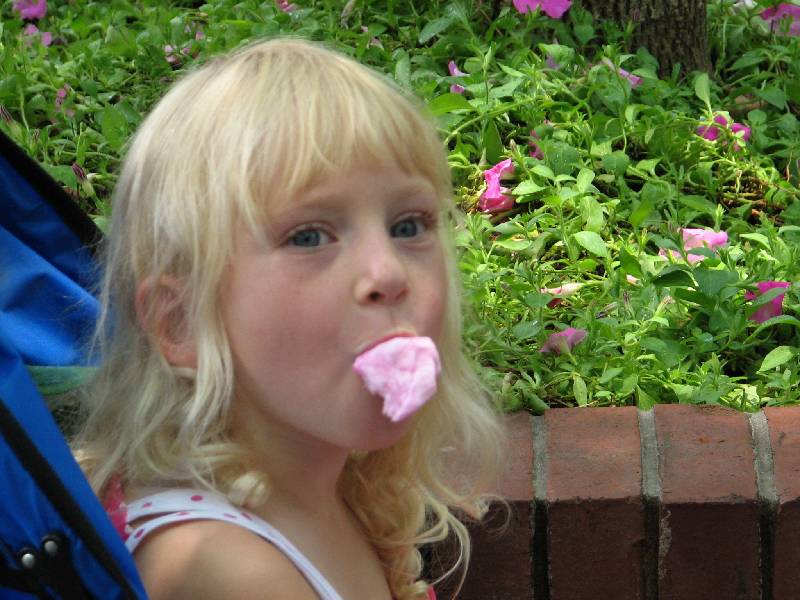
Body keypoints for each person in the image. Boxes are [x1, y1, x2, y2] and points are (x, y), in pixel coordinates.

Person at [73, 37, 504, 600]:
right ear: (182, 322)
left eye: (408, 226)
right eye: (309, 237)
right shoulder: (223, 569)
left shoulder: (337, 488)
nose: (388, 272)